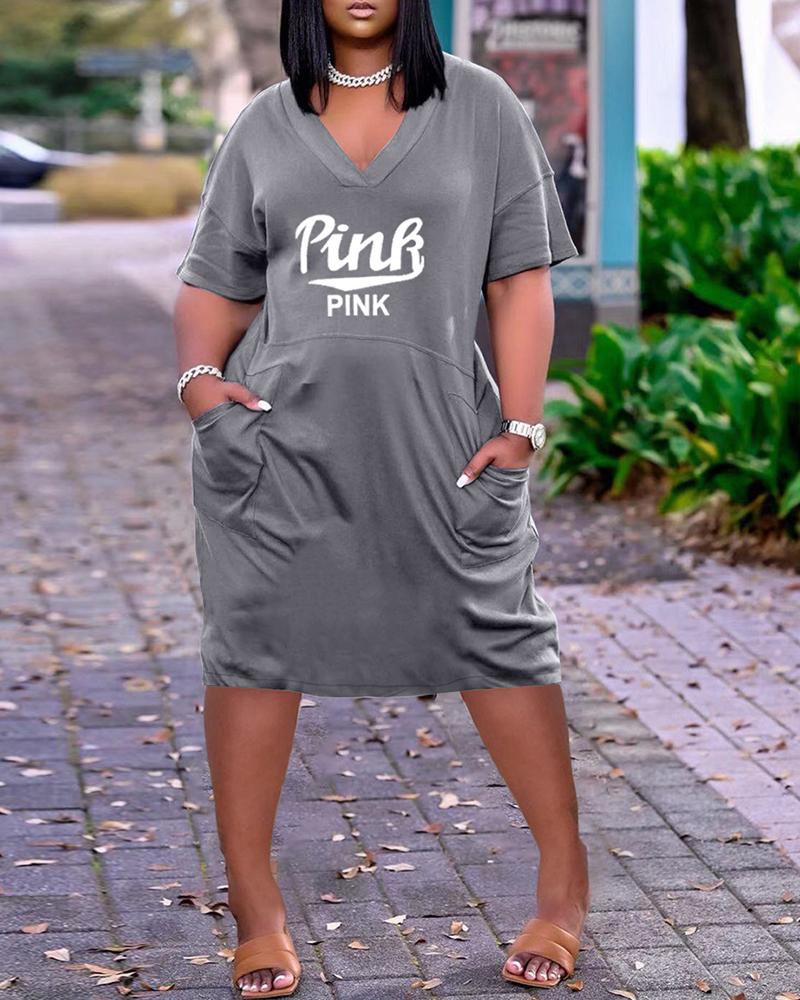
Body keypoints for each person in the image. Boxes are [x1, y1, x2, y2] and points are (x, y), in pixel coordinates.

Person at [173, 0, 589, 994]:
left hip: (444, 446)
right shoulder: (265, 121)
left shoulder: (480, 108)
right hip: (279, 451)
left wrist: (521, 426)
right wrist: (198, 386)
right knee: (255, 647)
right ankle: (256, 910)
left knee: (498, 634)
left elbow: (518, 282)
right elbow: (216, 281)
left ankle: (563, 883)